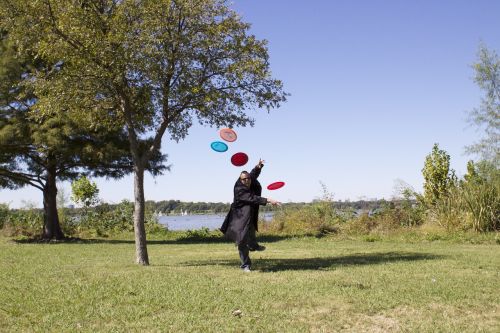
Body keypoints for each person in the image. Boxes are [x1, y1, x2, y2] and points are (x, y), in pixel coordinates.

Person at [220, 159, 280, 272]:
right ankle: (245, 265)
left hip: (249, 215)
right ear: (240, 179)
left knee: (251, 231)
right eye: (244, 179)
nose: (247, 180)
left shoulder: (249, 179)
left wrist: (259, 166)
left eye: (248, 178)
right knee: (241, 241)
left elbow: (253, 174)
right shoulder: (239, 189)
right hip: (239, 217)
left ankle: (253, 245)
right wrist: (269, 200)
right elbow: (253, 198)